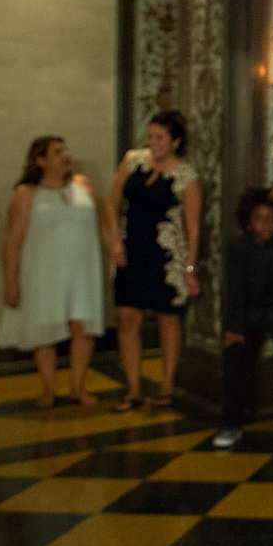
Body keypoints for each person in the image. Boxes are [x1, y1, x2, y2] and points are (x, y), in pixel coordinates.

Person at [0, 136, 115, 409]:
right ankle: (49, 388)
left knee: (82, 327)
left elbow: (102, 223)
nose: (66, 156)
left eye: (66, 150)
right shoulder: (26, 193)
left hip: (82, 270)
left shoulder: (82, 185)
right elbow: (12, 240)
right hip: (43, 272)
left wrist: (115, 251)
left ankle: (78, 387)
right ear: (40, 161)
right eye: (57, 152)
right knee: (46, 328)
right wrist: (10, 282)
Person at [108, 110, 200, 412]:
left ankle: (167, 383)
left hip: (166, 255)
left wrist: (189, 268)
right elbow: (111, 204)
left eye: (159, 137)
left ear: (175, 141)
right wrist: (114, 242)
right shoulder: (133, 160)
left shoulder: (185, 176)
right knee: (127, 318)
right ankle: (133, 389)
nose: (153, 143)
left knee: (166, 319)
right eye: (150, 136)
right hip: (131, 248)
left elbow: (193, 227)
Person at [214, 189, 273, 449]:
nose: (265, 224)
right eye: (259, 218)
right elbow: (236, 290)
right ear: (248, 222)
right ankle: (231, 423)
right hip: (247, 312)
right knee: (235, 357)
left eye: (271, 218)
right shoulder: (239, 248)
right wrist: (234, 328)